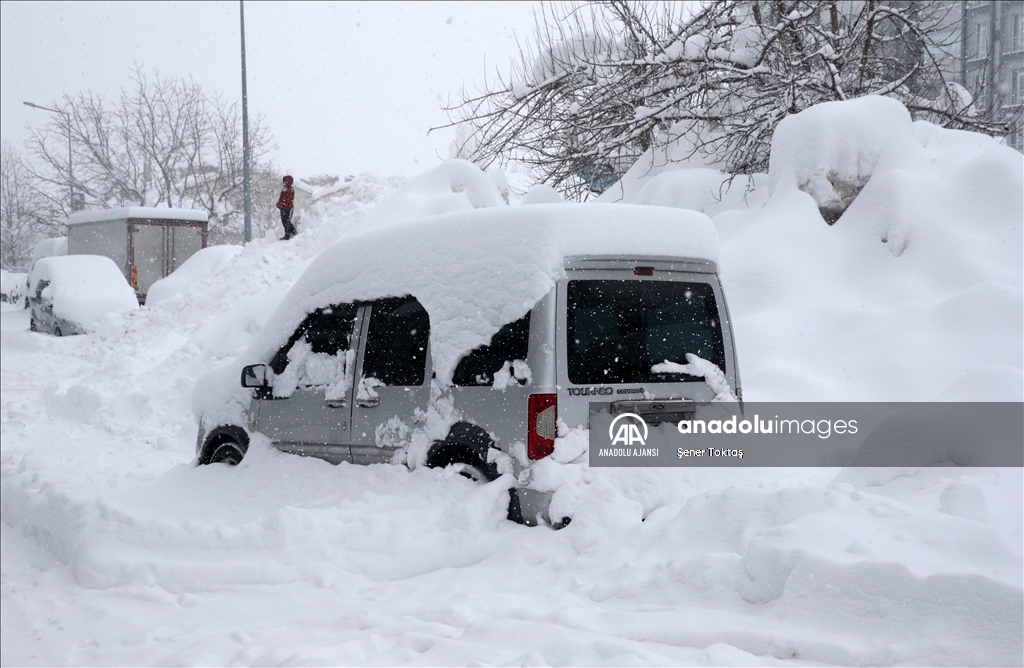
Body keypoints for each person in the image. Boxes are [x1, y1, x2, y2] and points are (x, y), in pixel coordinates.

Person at [276, 175, 297, 240]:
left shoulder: (290, 190)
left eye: (284, 181)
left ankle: (293, 233)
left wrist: (282, 204)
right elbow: (282, 198)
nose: (283, 183)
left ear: (288, 182)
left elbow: (288, 200)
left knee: (287, 221)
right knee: (284, 221)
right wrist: (279, 204)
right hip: (283, 208)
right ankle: (288, 234)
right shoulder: (285, 189)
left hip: (288, 208)